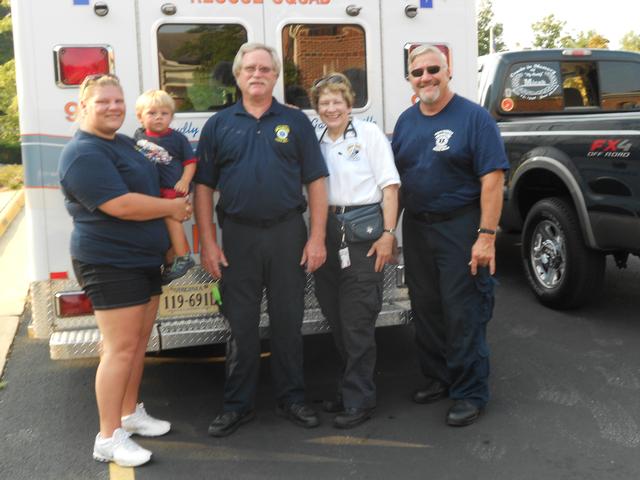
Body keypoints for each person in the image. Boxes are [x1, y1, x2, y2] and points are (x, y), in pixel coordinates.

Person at [193, 43, 329, 437]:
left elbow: (316, 181)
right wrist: (208, 242)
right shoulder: (219, 125)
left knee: (289, 321)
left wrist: (316, 237)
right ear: (238, 76)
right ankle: (238, 405)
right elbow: (203, 187)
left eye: (265, 68)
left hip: (288, 233)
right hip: (237, 237)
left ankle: (293, 399)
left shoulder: (295, 121)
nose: (257, 74)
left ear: (275, 76)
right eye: (249, 68)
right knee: (240, 325)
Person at [58, 74, 192, 466]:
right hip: (109, 262)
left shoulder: (124, 143)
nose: (113, 107)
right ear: (83, 107)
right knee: (118, 350)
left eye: (118, 100)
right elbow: (121, 205)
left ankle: (129, 413)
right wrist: (171, 210)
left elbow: (154, 183)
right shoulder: (84, 153)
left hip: (142, 259)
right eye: (103, 102)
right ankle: (107, 436)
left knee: (137, 343)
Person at [392, 45, 509, 426]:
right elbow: (397, 180)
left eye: (432, 69)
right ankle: (439, 378)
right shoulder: (407, 121)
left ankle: (470, 391)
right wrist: (390, 231)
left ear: (448, 71)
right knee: (426, 307)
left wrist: (486, 236)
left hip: (461, 225)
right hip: (418, 226)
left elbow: (492, 180)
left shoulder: (475, 119)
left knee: (463, 311)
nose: (425, 77)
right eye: (417, 71)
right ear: (409, 78)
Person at [309, 73, 400, 429]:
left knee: (357, 320)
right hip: (326, 232)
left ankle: (360, 400)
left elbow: (390, 187)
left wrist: (388, 234)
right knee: (335, 317)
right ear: (317, 109)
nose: (331, 108)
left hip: (364, 234)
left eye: (337, 102)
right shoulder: (315, 140)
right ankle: (350, 390)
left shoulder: (369, 135)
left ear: (349, 105)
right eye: (324, 103)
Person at [134, 89, 197, 284]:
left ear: (171, 116)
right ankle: (170, 262)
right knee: (162, 227)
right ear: (140, 117)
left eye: (164, 113)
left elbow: (190, 162)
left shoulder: (177, 138)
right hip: (153, 191)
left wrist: (185, 181)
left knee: (172, 220)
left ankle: (183, 257)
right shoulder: (138, 137)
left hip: (173, 189)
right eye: (152, 113)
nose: (159, 118)